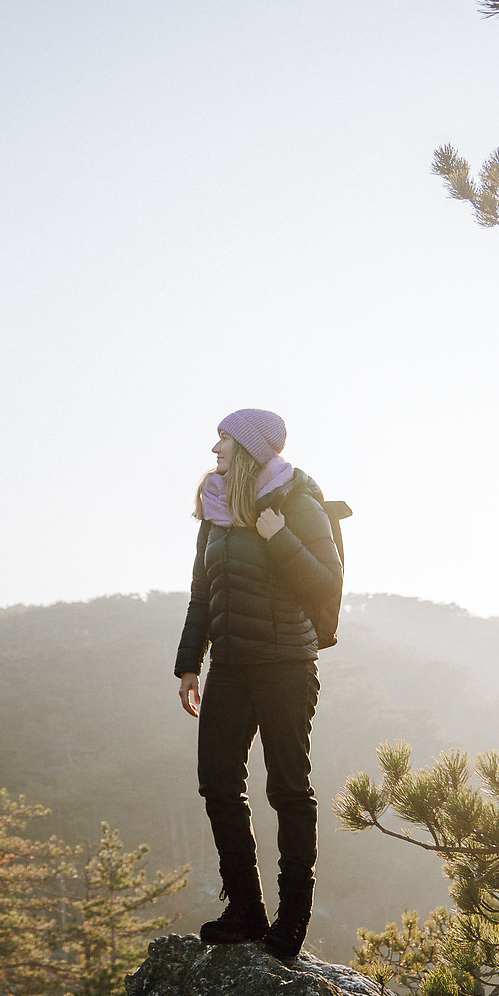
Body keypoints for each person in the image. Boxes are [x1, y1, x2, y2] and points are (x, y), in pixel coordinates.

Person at [174, 408, 342, 961]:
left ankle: (291, 921)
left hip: (287, 666)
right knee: (218, 783)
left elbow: (326, 582)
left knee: (288, 790)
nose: (215, 450)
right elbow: (203, 592)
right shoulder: (215, 512)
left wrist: (280, 539)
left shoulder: (298, 504)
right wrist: (188, 664)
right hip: (229, 667)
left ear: (250, 449)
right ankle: (245, 908)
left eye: (223, 440)